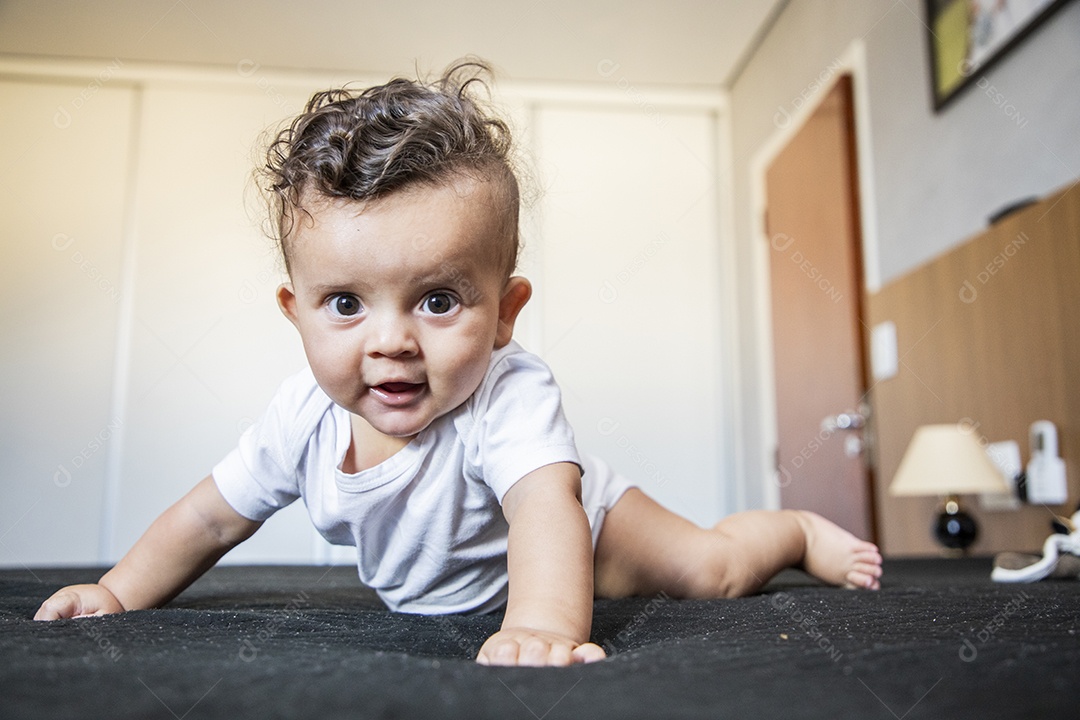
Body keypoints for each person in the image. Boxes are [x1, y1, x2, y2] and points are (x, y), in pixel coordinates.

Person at [35, 60, 882, 667]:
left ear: (506, 312)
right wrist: (116, 593)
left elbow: (545, 511)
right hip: (479, 578)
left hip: (593, 533)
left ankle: (793, 528)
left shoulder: (508, 395)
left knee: (713, 573)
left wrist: (546, 624)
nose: (392, 341)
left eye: (437, 300)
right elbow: (210, 519)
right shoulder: (301, 418)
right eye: (346, 304)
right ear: (296, 316)